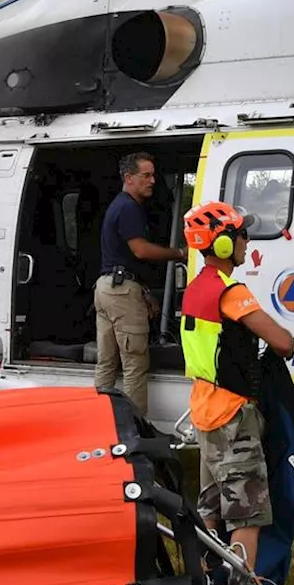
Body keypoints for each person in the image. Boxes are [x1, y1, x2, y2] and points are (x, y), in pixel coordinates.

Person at [179, 201, 294, 585]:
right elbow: (282, 342)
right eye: (241, 234)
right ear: (224, 245)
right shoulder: (231, 290)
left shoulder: (195, 287)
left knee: (210, 504)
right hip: (232, 415)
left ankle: (208, 580)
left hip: (205, 409)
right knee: (246, 512)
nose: (247, 241)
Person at [94, 151, 186, 415]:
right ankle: (135, 431)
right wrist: (180, 253)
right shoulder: (129, 208)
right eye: (146, 175)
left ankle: (101, 423)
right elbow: (141, 251)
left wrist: (144, 292)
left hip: (106, 287)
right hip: (121, 292)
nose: (152, 181)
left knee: (107, 363)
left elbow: (123, 260)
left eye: (153, 175)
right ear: (129, 178)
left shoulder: (119, 206)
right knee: (134, 363)